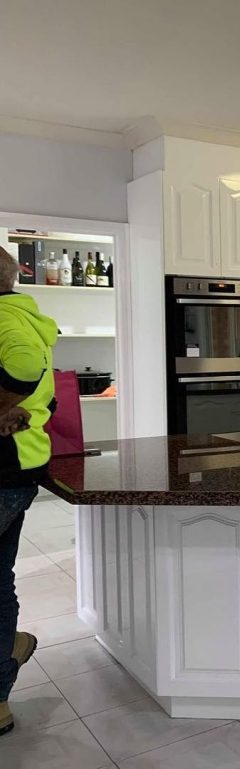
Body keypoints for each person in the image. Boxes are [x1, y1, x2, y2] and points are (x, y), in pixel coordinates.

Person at [0, 248, 58, 735]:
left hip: (6, 468)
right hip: (17, 467)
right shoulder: (19, 315)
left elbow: (22, 361)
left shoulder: (5, 320)